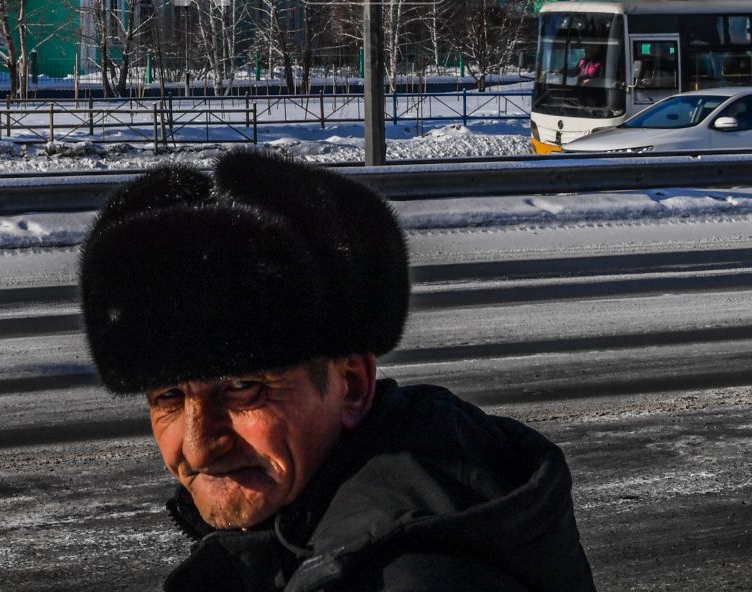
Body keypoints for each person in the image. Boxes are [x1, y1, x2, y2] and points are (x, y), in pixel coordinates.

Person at [80, 151, 597, 591]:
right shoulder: (315, 531)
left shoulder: (408, 577)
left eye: (242, 388)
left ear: (351, 385)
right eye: (169, 396)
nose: (197, 445)